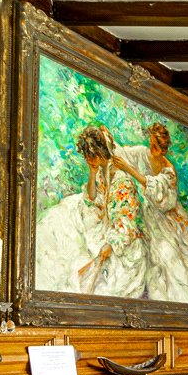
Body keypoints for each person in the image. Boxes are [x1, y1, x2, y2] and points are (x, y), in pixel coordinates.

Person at [34, 125, 147, 298]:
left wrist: (110, 244)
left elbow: (127, 221)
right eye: (86, 156)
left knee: (105, 282)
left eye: (90, 155)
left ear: (100, 152)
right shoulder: (102, 172)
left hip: (124, 240)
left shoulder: (123, 181)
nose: (88, 159)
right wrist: (92, 173)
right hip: (107, 228)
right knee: (65, 223)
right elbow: (92, 198)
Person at [112, 122, 188, 303]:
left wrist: (129, 169)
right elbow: (122, 155)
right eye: (150, 143)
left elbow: (159, 196)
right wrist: (109, 139)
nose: (151, 148)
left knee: (167, 257)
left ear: (163, 150)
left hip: (167, 218)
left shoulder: (169, 171)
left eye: (155, 146)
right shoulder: (143, 153)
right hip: (147, 214)